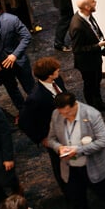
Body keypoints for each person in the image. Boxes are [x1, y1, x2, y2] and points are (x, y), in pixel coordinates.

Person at [46, 92, 105, 209]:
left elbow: (104, 140)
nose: (65, 116)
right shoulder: (56, 115)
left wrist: (78, 150)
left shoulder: (91, 114)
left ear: (75, 105)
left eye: (68, 112)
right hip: (70, 167)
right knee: (76, 199)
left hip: (92, 165)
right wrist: (59, 148)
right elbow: (50, 139)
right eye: (62, 113)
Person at [18, 56, 68, 196]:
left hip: (67, 127)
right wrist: (42, 138)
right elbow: (24, 122)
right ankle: (67, 190)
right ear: (49, 74)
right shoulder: (35, 98)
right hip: (53, 135)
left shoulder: (57, 80)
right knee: (59, 164)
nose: (59, 71)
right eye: (56, 70)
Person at [68, 0, 105, 110]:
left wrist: (102, 44)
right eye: (93, 1)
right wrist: (98, 45)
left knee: (96, 82)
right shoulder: (77, 26)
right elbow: (77, 49)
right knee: (90, 84)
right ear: (87, 7)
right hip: (87, 63)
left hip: (95, 58)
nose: (96, 2)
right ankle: (93, 107)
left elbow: (95, 31)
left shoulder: (88, 16)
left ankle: (98, 103)